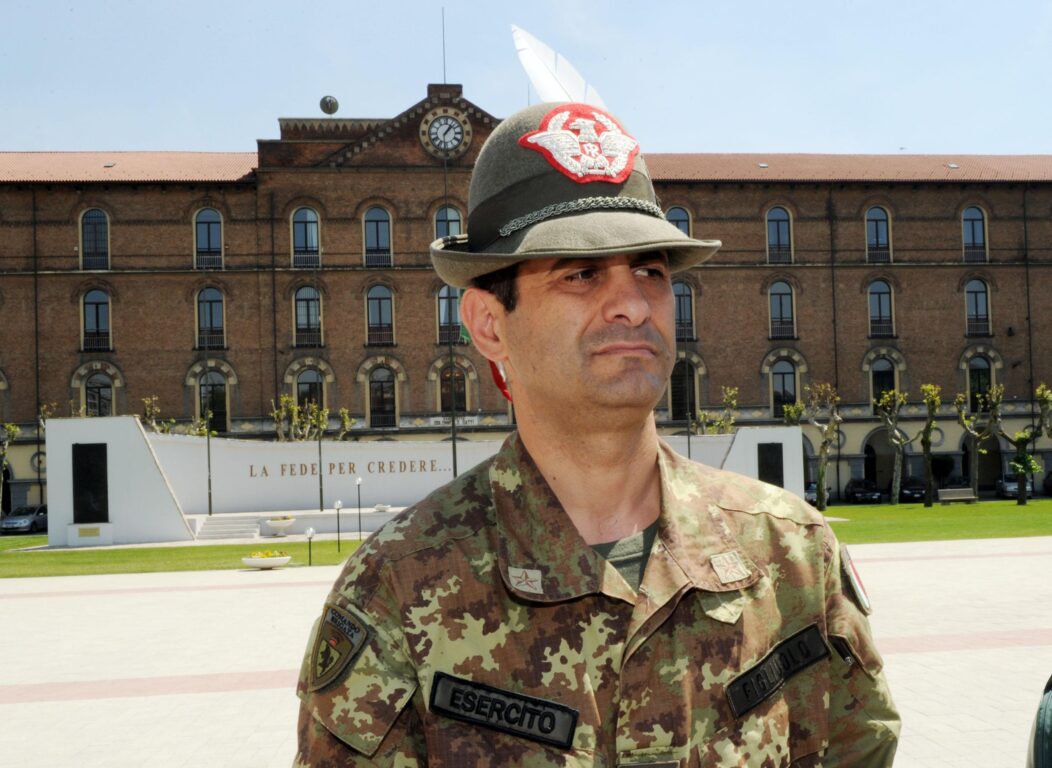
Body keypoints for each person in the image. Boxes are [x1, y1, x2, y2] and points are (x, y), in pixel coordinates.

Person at [294, 102, 900, 766]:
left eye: (651, 271)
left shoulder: (788, 555)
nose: (634, 304)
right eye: (581, 274)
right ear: (491, 324)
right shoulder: (398, 591)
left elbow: (857, 743)